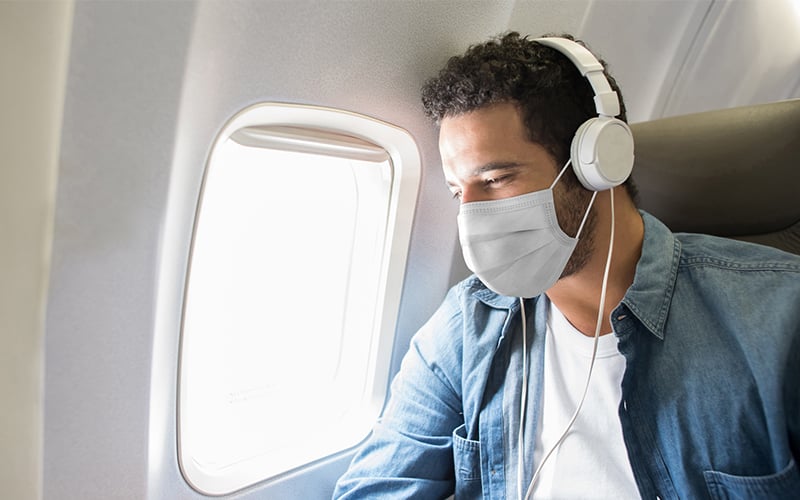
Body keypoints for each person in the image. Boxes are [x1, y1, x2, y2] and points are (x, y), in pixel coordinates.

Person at [333, 32, 800, 499]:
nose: (470, 217)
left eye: (495, 179)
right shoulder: (466, 328)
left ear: (598, 163)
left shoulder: (777, 320)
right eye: (459, 192)